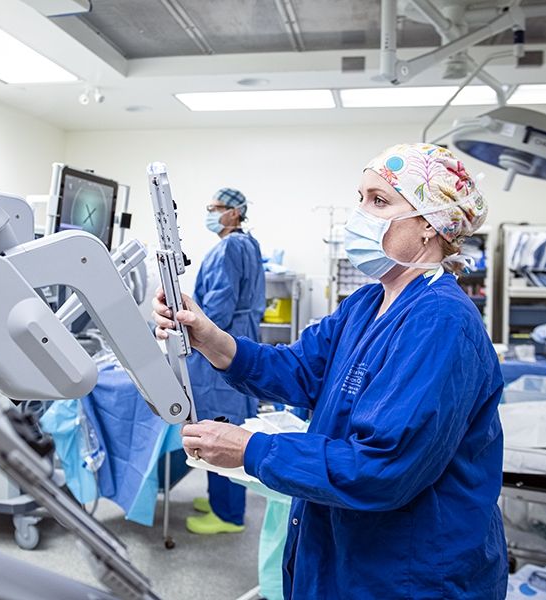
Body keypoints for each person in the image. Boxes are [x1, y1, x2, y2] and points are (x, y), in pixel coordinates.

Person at [154, 144, 507, 598]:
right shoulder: (367, 303)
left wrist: (253, 450)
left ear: (429, 225)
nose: (357, 215)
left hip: (408, 571)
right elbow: (299, 371)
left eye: (378, 201)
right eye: (360, 198)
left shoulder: (440, 321)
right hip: (345, 548)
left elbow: (381, 467)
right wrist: (209, 337)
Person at [184, 187, 265, 535]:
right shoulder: (249, 243)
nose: (210, 213)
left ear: (234, 213)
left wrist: (187, 328)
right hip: (241, 335)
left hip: (220, 339)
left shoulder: (229, 246)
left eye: (215, 208)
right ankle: (222, 501)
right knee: (233, 422)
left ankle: (227, 514)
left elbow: (218, 305)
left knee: (220, 426)